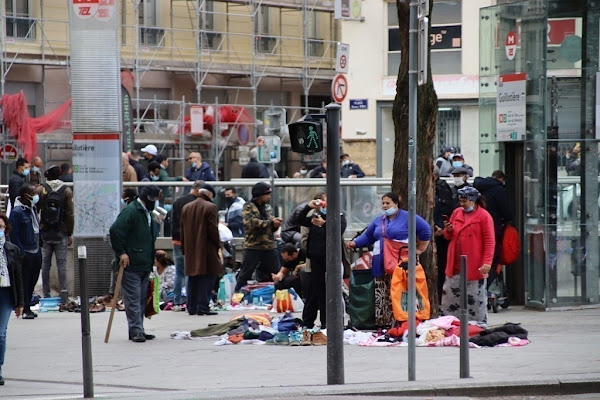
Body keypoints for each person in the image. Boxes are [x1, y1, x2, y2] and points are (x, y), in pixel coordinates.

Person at [347, 192, 430, 327]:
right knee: (384, 292)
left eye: (388, 203)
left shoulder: (408, 217)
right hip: (382, 262)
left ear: (396, 204)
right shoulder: (379, 220)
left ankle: (403, 321)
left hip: (402, 264)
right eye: (383, 203)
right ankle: (385, 323)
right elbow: (368, 236)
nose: (385, 206)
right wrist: (355, 243)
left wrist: (420, 249)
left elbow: (425, 229)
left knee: (401, 291)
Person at [109, 185, 162, 343]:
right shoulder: (131, 211)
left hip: (144, 262)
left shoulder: (147, 213)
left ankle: (138, 329)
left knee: (140, 299)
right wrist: (122, 253)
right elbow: (115, 230)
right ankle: (136, 330)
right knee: (133, 299)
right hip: (131, 263)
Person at [441, 186, 495, 326]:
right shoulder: (456, 213)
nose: (462, 204)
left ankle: (476, 325)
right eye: (460, 201)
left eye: (464, 201)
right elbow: (449, 236)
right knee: (451, 298)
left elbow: (489, 241)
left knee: (475, 298)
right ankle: (451, 324)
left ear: (473, 201)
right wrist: (448, 230)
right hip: (456, 263)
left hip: (474, 264)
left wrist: (487, 262)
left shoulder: (484, 216)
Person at [299, 197, 346, 329]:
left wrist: (323, 223)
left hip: (331, 261)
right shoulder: (315, 217)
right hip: (315, 260)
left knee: (331, 293)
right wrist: (309, 207)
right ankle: (312, 323)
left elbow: (337, 231)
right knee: (316, 292)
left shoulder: (339, 217)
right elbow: (300, 220)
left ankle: (330, 324)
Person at [180, 184, 221, 316]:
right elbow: (213, 230)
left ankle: (191, 307)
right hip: (206, 248)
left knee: (192, 278)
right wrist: (218, 245)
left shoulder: (186, 207)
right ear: (209, 194)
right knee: (208, 277)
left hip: (190, 249)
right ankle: (203, 306)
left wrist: (184, 248)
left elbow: (182, 230)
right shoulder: (211, 207)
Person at [36, 165, 74, 305]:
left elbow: (36, 209)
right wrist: (69, 232)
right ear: (60, 174)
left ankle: (46, 292)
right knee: (61, 263)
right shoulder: (66, 190)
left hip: (46, 231)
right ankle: (64, 293)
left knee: (45, 263)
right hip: (61, 231)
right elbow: (70, 214)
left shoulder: (42, 189)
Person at [234, 182, 282, 292]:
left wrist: (275, 225)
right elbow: (251, 223)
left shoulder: (268, 208)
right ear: (260, 195)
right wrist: (270, 223)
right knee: (245, 273)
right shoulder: (248, 207)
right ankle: (237, 296)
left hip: (269, 245)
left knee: (276, 273)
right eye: (267, 194)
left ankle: (280, 296)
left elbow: (270, 226)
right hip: (253, 246)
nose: (268, 197)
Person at [473, 170, 514, 288]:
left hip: (476, 229)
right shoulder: (499, 190)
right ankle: (485, 287)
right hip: (494, 229)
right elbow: (506, 212)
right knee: (494, 258)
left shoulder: (478, 188)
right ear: (501, 179)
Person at [9, 183, 41, 320]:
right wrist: (21, 252)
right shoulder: (17, 212)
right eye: (33, 193)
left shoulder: (32, 208)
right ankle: (25, 307)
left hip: (36, 249)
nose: (35, 196)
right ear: (25, 195)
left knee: (33, 279)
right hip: (26, 251)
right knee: (25, 281)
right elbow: (14, 234)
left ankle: (28, 304)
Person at [171, 180, 203, 312]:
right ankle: (190, 301)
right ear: (197, 190)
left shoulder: (178, 201)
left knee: (179, 272)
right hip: (189, 241)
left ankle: (177, 301)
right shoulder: (196, 203)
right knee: (190, 271)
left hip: (176, 239)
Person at [0, 213, 24, 386]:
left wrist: (20, 302)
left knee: (0, 333)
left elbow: (18, 278)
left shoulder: (11, 249)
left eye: (1, 227)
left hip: (6, 294)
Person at [433, 166, 454, 304]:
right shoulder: (442, 189)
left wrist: (439, 227)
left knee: (440, 266)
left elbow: (445, 211)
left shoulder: (441, 189)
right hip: (438, 232)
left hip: (439, 235)